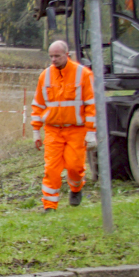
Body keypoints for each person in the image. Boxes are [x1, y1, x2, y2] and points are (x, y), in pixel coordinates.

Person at [31, 40, 96, 210]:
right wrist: (36, 131)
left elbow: (91, 105)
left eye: (57, 56)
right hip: (53, 131)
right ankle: (49, 206)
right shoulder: (45, 76)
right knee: (51, 169)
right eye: (51, 56)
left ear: (67, 55)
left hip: (76, 130)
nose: (53, 59)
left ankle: (76, 188)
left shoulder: (83, 74)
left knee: (75, 166)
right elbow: (38, 104)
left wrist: (91, 132)